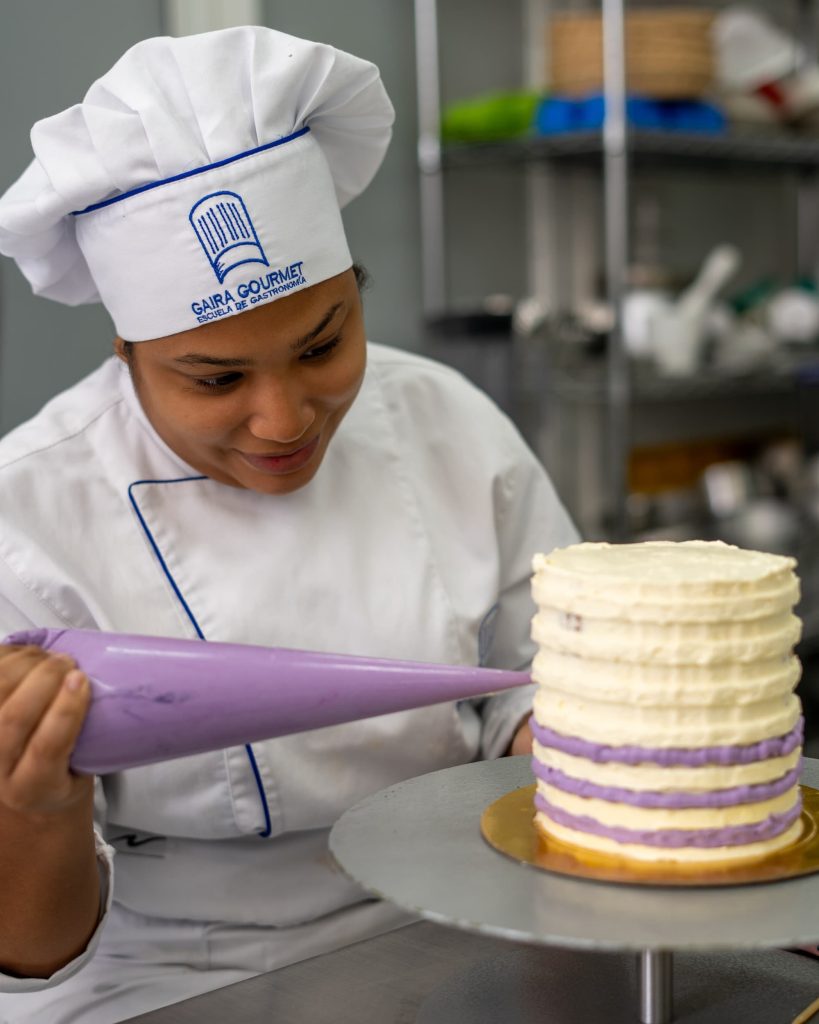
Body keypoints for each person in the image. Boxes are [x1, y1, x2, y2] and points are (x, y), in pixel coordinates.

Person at [0, 25, 577, 1024]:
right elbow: (33, 949)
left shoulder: (444, 420)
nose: (284, 419)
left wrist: (569, 729)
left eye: (323, 347)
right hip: (156, 972)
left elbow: (540, 676)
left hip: (463, 912)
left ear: (358, 297)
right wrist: (32, 807)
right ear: (128, 351)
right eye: (215, 378)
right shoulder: (30, 512)